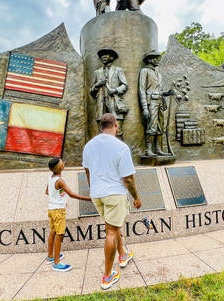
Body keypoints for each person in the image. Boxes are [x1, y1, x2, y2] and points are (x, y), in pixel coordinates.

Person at [83, 113, 142, 290]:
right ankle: (107, 276)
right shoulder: (121, 147)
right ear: (115, 125)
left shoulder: (89, 146)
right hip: (114, 194)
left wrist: (93, 188)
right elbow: (129, 179)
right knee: (110, 232)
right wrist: (136, 197)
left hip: (97, 194)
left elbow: (87, 171)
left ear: (101, 126)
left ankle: (122, 255)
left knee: (112, 226)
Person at [44, 157, 92, 272]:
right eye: (62, 162)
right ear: (61, 167)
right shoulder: (60, 181)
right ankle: (56, 263)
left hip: (51, 209)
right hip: (58, 211)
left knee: (53, 232)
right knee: (59, 235)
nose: (63, 163)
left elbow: (47, 192)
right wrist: (89, 199)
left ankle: (50, 256)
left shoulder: (50, 178)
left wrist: (58, 199)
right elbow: (72, 194)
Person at [138, 50, 175, 156]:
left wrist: (167, 93)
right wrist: (145, 107)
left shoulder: (158, 74)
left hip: (160, 101)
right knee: (152, 126)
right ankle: (148, 150)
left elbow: (159, 91)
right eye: (155, 58)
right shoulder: (144, 71)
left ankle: (158, 149)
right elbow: (142, 90)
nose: (158, 60)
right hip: (151, 102)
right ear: (149, 59)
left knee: (160, 126)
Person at [90, 48, 129, 136]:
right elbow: (91, 91)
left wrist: (115, 90)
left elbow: (125, 85)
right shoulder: (97, 72)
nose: (103, 57)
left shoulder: (118, 70)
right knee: (101, 132)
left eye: (106, 55)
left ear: (111, 58)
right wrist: (97, 85)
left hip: (114, 104)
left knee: (118, 131)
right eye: (101, 56)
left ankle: (118, 148)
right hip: (101, 104)